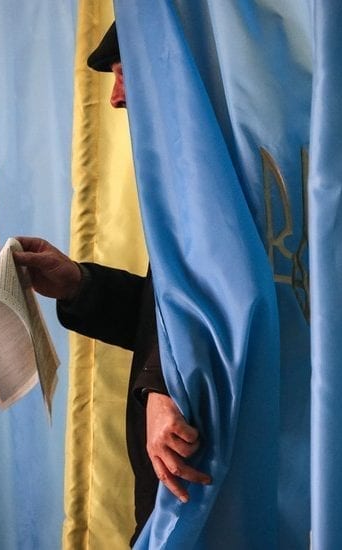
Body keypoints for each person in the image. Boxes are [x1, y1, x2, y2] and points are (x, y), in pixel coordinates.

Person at [13, 22, 210, 546]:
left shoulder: (219, 171)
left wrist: (163, 385)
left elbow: (236, 302)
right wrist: (78, 285)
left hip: (200, 462)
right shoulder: (183, 168)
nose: (116, 98)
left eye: (127, 76)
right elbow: (163, 309)